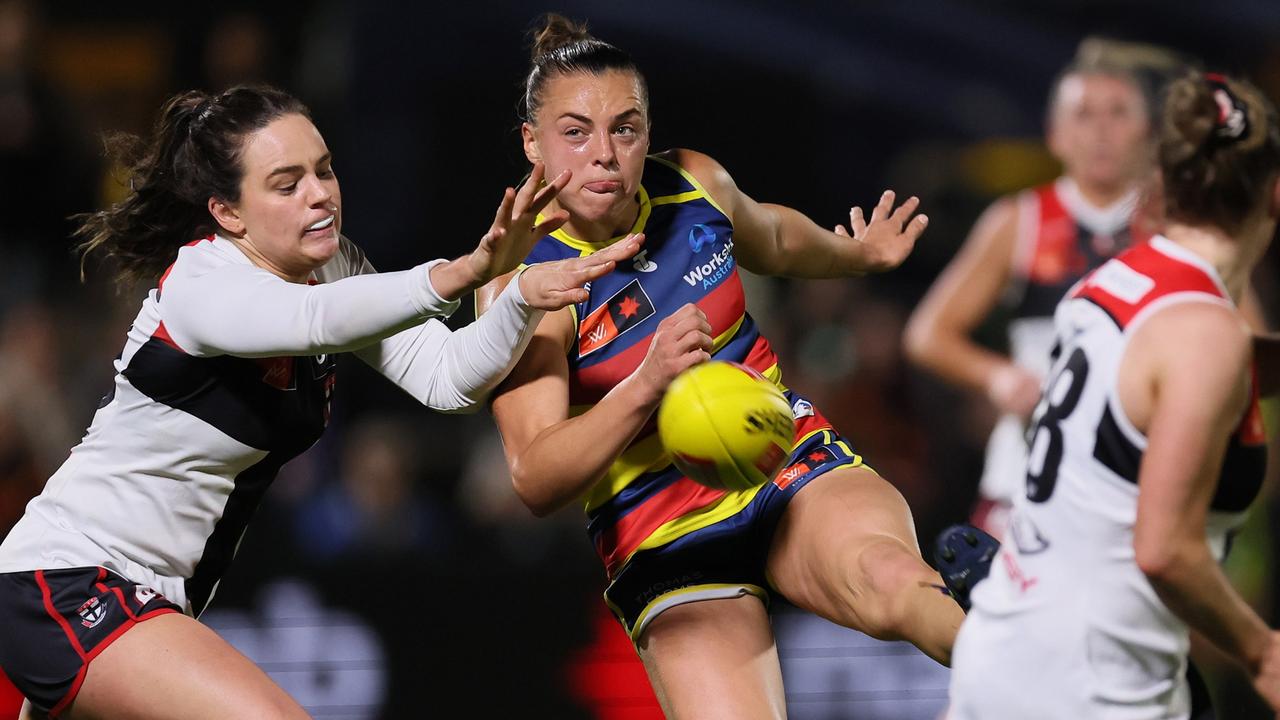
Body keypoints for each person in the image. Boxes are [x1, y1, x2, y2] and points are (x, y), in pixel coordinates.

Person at [0, 84, 640, 719]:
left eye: (324, 170)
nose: (320, 195)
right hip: (71, 576)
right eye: (287, 183)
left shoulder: (329, 271)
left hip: (155, 601)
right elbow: (313, 320)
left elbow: (447, 379)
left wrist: (523, 295)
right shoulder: (203, 283)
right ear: (227, 212)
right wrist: (467, 269)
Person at [480, 15, 968, 717]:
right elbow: (533, 475)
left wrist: (853, 253)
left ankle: (1038, 674)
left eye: (625, 128)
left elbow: (774, 237)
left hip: (783, 458)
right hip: (661, 532)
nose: (605, 155)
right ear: (532, 141)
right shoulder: (522, 284)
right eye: (575, 131)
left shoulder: (692, 185)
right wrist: (648, 383)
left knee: (893, 584)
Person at [948, 71, 1280, 718]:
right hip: (1096, 684)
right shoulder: (1207, 335)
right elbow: (1165, 550)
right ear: (1273, 194)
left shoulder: (1110, 282)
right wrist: (1262, 651)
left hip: (1004, 647)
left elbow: (1166, 376)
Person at [903, 45, 1159, 539]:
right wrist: (996, 376)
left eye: (1119, 113)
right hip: (1028, 479)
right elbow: (927, 334)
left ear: (1148, 133)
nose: (1102, 130)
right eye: (1084, 114)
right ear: (1056, 136)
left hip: (1138, 485)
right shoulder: (1022, 218)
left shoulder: (1171, 226)